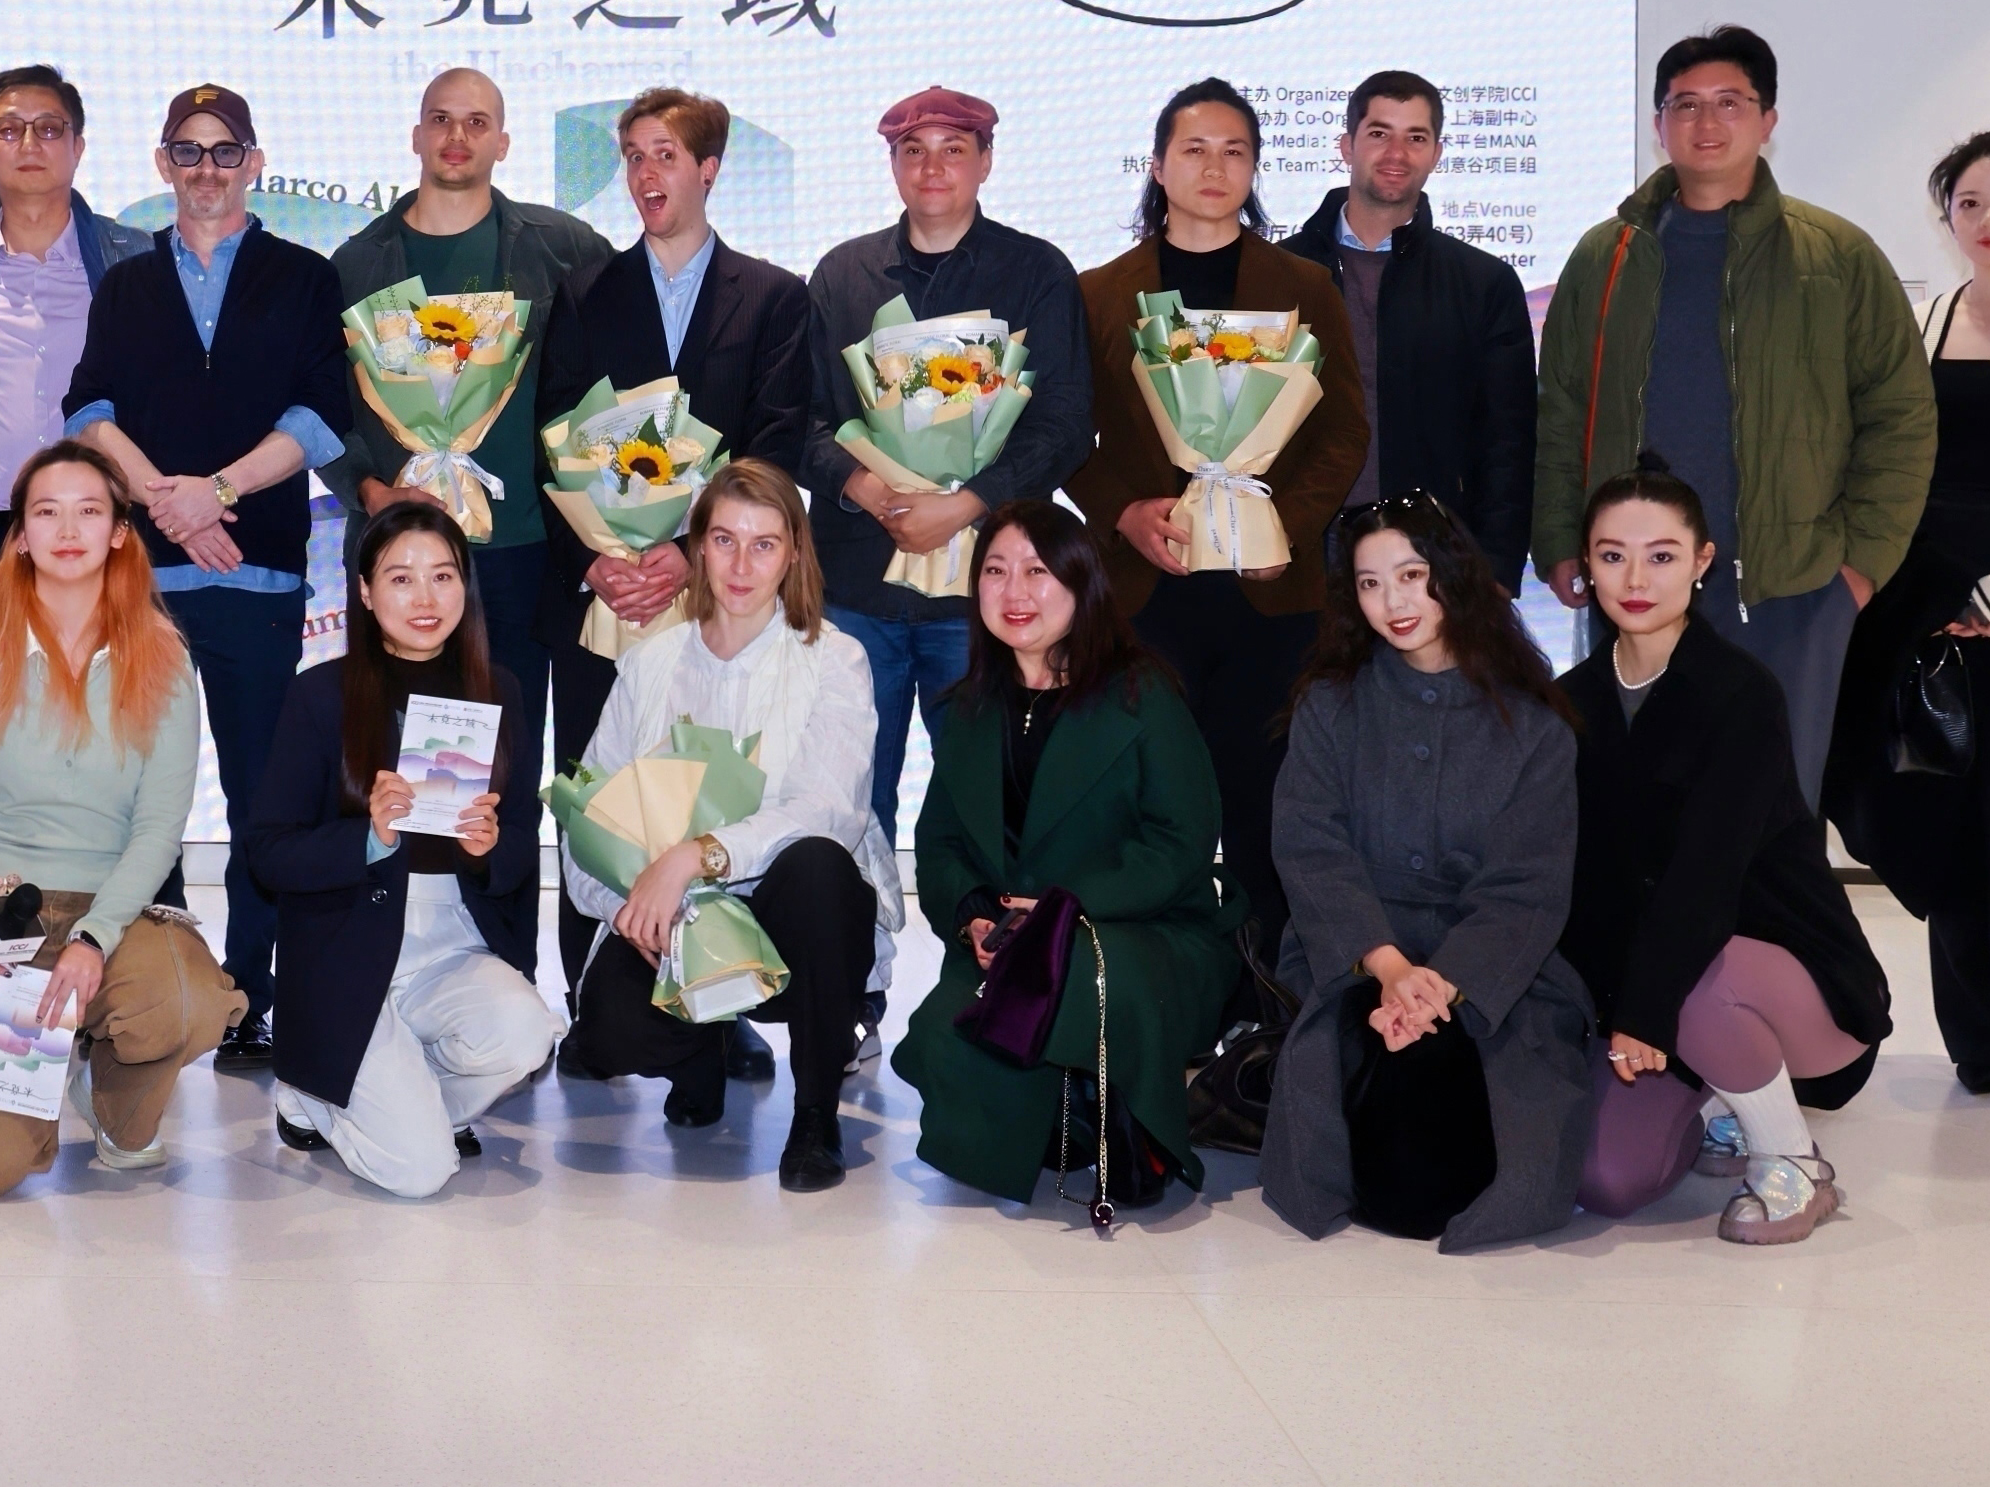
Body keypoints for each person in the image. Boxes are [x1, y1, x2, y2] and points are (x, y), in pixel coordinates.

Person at [1535, 25, 1935, 803]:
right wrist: (1558, 538)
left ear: (1767, 119)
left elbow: (1901, 417)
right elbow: (1561, 410)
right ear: (1659, 124)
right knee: (1633, 802)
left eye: (1729, 102)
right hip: (1637, 580)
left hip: (1788, 586)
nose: (1706, 122)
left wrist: (1856, 568)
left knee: (1770, 808)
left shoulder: (1836, 255)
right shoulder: (1605, 256)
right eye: (1685, 104)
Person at [65, 82, 351, 1070]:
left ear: (254, 163)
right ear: (162, 164)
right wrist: (165, 502)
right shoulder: (126, 284)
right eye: (186, 151)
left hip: (257, 573)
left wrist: (217, 492)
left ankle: (251, 994)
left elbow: (321, 416)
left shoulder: (303, 276)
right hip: (147, 580)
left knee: (262, 792)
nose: (206, 170)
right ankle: (149, 979)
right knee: (136, 788)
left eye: (225, 151)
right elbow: (89, 410)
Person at [536, 87, 819, 1043]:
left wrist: (689, 551)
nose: (645, 172)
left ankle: (722, 1008)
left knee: (709, 794)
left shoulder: (773, 296)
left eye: (664, 153)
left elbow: (775, 442)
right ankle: (593, 1003)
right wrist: (598, 560)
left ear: (709, 169)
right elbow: (553, 441)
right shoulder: (584, 293)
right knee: (602, 794)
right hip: (607, 596)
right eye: (632, 155)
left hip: (719, 598)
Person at [1071, 78, 1366, 979]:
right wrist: (1122, 510)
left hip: (1269, 599)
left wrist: (1284, 526)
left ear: (1255, 168)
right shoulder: (1100, 292)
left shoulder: (1303, 285)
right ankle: (1157, 990)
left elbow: (1344, 430)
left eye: (1235, 151)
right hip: (1145, 592)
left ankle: (1267, 998)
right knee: (1150, 802)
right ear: (1158, 165)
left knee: (1265, 803)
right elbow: (1067, 436)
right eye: (1194, 149)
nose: (1215, 167)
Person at [329, 66, 612, 977]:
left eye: (477, 122)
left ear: (503, 141)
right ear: (416, 136)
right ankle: (397, 971)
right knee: (397, 772)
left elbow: (608, 384)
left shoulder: (562, 248)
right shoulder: (357, 262)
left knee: (508, 777)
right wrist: (370, 490)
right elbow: (320, 409)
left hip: (522, 554)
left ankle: (511, 976)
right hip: (401, 562)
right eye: (441, 120)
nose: (457, 137)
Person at [1831, 133, 1990, 1111]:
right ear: (1945, 218)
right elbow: (1880, 458)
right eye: (1969, 201)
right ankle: (1976, 1045)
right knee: (1945, 828)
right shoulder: (1921, 322)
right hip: (1928, 614)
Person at [1563, 467, 1891, 1244]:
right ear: (1586, 565)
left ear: (1702, 560)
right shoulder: (1571, 700)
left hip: (1785, 980)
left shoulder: (1742, 693)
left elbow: (1704, 880)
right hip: (1663, 989)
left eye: (1662, 555)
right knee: (1606, 1179)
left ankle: (1793, 1161)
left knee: (1703, 982)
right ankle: (1724, 1100)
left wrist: (1644, 1010)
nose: (1635, 579)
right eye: (1612, 555)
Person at [1257, 495, 1591, 1251]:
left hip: (1492, 968)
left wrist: (1440, 983)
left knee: (1466, 1162)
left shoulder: (1535, 725)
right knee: (1389, 1177)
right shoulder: (1330, 705)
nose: (1394, 602)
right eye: (1370, 584)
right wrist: (1388, 967)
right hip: (1355, 954)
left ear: (1454, 575)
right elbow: (1310, 848)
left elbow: (1528, 888)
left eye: (1411, 575)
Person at [556, 461, 898, 1193]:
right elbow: (587, 815)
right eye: (723, 540)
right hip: (676, 922)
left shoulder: (835, 660)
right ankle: (698, 1055)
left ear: (795, 554)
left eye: (764, 544)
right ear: (698, 548)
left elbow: (828, 811)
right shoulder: (648, 663)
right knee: (608, 1031)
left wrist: (695, 855)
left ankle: (815, 1115)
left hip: (792, 919)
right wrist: (625, 909)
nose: (741, 565)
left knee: (817, 866)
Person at [0, 442, 240, 1192]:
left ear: (120, 532)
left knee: (188, 1002)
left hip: (110, 910)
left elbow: (158, 828)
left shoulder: (163, 658)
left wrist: (93, 936)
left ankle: (113, 1101)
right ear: (20, 534)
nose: (67, 529)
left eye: (88, 511)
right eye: (46, 512)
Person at [895, 501, 1240, 1217]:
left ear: (1082, 583)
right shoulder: (968, 707)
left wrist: (1063, 909)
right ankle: (1071, 1109)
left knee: (1068, 978)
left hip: (1138, 931)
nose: (1014, 591)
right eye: (995, 571)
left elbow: (1179, 840)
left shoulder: (1142, 691)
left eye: (1037, 571)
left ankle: (1129, 1122)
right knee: (940, 1039)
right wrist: (973, 917)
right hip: (1012, 943)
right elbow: (941, 844)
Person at [802, 85, 1095, 844]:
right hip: (857, 582)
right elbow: (800, 418)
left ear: (986, 161)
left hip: (986, 595)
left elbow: (1066, 424)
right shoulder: (842, 275)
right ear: (893, 165)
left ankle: (991, 927)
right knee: (843, 801)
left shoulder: (1036, 271)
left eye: (954, 149)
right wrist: (867, 488)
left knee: (991, 801)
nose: (932, 168)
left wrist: (967, 503)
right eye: (913, 151)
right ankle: (854, 929)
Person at [249, 498, 561, 1197]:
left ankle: (381, 1095)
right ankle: (318, 1093)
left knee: (526, 1033)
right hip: (348, 947)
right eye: (401, 578)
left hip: (452, 942)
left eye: (443, 576)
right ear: (364, 591)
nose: (425, 598)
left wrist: (487, 847)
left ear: (465, 587)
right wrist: (367, 837)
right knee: (421, 1173)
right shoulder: (319, 695)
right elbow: (268, 851)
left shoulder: (500, 689)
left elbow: (521, 840)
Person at [1281, 72, 1538, 594]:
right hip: (1300, 549)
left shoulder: (1482, 282)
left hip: (1432, 549)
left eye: (1415, 137)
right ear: (1346, 146)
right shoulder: (1278, 272)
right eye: (1379, 133)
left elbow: (1507, 441)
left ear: (1436, 154)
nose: (1396, 153)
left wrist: (1496, 569)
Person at [0, 65, 150, 602]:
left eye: (48, 128)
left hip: (110, 530)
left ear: (78, 147)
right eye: (8, 129)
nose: (29, 144)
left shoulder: (137, 259)